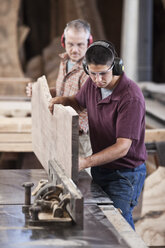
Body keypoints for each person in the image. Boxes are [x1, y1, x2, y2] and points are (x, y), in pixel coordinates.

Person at [48, 40, 147, 230]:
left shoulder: (130, 97)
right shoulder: (92, 85)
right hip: (102, 167)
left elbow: (122, 147)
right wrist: (62, 100)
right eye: (92, 73)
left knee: (119, 226)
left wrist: (85, 161)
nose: (98, 80)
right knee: (103, 223)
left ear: (116, 66)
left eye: (103, 73)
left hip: (125, 173)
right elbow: (78, 102)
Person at [26, 19, 93, 158]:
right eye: (70, 44)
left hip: (80, 135)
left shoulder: (90, 71)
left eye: (80, 45)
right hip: (62, 129)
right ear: (63, 42)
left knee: (82, 175)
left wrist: (58, 100)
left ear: (89, 43)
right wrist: (39, 91)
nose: (74, 50)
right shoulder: (65, 61)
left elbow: (81, 102)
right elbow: (62, 92)